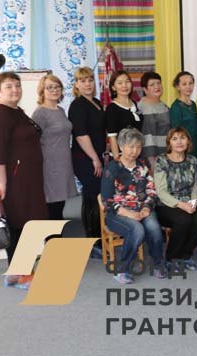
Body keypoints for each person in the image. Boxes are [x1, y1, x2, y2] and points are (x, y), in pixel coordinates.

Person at [0, 72, 47, 289]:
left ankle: (17, 272)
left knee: (28, 224)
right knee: (17, 224)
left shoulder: (16, 111)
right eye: (9, 86)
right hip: (12, 181)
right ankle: (19, 274)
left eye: (17, 85)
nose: (15, 90)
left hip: (27, 179)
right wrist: (2, 183)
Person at [101, 128, 165, 284]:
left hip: (142, 209)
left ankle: (157, 264)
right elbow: (107, 200)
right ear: (121, 147)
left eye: (138, 147)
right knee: (137, 229)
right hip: (118, 214)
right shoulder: (112, 168)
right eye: (130, 147)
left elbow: (151, 190)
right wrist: (128, 214)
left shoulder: (143, 165)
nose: (134, 151)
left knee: (154, 227)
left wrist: (146, 208)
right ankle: (122, 270)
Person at [154, 127, 197, 271]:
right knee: (183, 219)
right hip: (166, 204)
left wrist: (193, 203)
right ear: (169, 142)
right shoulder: (161, 160)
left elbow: (195, 187)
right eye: (175, 139)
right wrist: (181, 205)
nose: (179, 142)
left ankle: (185, 256)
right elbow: (161, 191)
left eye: (183, 138)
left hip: (188, 202)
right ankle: (171, 258)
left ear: (188, 141)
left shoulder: (192, 160)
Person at [69, 66, 106, 252]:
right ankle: (93, 241)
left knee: (94, 196)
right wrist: (95, 158)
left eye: (90, 80)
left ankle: (98, 237)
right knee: (92, 196)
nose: (87, 84)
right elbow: (81, 135)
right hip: (85, 158)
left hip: (96, 156)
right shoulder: (77, 105)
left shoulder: (96, 102)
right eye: (82, 81)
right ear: (76, 84)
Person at [32, 73, 77, 220]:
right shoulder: (40, 113)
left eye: (57, 87)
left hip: (63, 163)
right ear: (42, 91)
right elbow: (33, 141)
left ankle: (57, 233)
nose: (54, 90)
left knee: (60, 205)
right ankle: (52, 235)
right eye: (49, 87)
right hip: (50, 165)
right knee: (52, 207)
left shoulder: (61, 110)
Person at [105, 70, 142, 160]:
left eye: (127, 82)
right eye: (120, 83)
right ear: (113, 87)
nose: (124, 86)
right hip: (122, 156)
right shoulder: (112, 108)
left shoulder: (134, 103)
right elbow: (112, 137)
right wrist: (117, 160)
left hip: (136, 153)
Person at [139, 71, 170, 168]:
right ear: (145, 89)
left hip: (165, 154)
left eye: (158, 83)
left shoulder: (163, 105)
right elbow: (148, 137)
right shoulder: (144, 107)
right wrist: (151, 163)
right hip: (153, 158)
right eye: (152, 85)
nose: (157, 86)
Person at [169, 71, 197, 158]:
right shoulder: (176, 107)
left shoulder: (193, 104)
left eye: (190, 83)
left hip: (195, 145)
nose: (188, 87)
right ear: (177, 87)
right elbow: (176, 132)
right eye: (184, 84)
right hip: (183, 148)